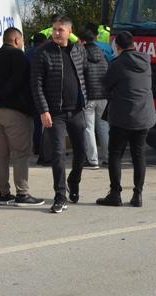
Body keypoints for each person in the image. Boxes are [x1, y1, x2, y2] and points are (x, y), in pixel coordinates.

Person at [0, 27, 44, 207]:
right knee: (21, 153)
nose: (22, 44)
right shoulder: (19, 57)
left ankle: (4, 194)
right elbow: (17, 81)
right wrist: (0, 95)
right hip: (14, 111)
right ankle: (22, 193)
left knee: (1, 154)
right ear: (16, 40)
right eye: (21, 41)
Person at [31, 15, 89, 214]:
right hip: (55, 113)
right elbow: (36, 84)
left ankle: (74, 180)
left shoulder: (78, 50)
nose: (56, 33)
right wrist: (44, 110)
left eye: (60, 30)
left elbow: (86, 74)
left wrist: (87, 101)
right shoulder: (43, 53)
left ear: (69, 32)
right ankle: (60, 196)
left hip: (77, 111)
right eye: (54, 29)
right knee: (57, 154)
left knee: (82, 151)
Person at [97, 31, 156, 208]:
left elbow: (106, 84)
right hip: (144, 116)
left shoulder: (117, 64)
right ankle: (137, 195)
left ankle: (115, 194)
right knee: (139, 155)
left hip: (122, 117)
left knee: (116, 154)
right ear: (134, 44)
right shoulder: (146, 61)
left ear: (117, 46)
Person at [79, 29, 110, 169]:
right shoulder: (103, 54)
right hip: (104, 96)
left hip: (89, 97)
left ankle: (92, 160)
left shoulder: (81, 54)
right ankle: (109, 157)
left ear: (83, 41)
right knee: (104, 127)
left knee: (89, 128)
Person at [26, 33, 51, 164]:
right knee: (48, 121)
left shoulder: (27, 53)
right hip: (45, 90)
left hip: (30, 90)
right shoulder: (46, 52)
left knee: (36, 121)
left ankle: (36, 147)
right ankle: (46, 149)